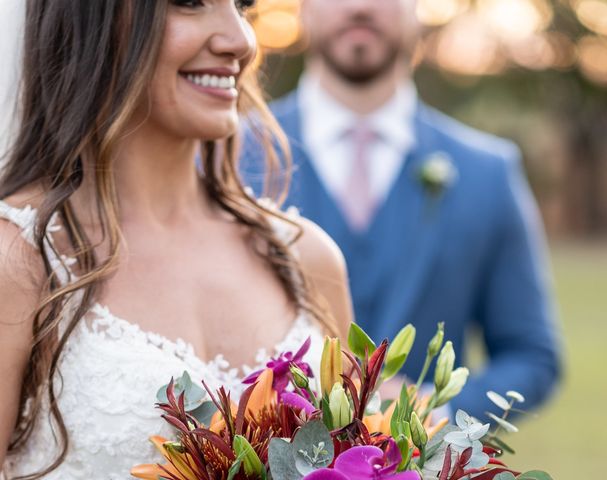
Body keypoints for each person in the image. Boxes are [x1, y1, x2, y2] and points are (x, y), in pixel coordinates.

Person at [0, 1, 352, 478]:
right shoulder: (20, 259)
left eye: (241, 5)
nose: (241, 41)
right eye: (189, 3)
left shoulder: (305, 258)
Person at [241, 0, 562, 419]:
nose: (359, 7)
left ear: (417, 10)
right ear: (304, 9)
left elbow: (532, 356)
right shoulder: (227, 160)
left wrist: (432, 413)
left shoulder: (488, 173)